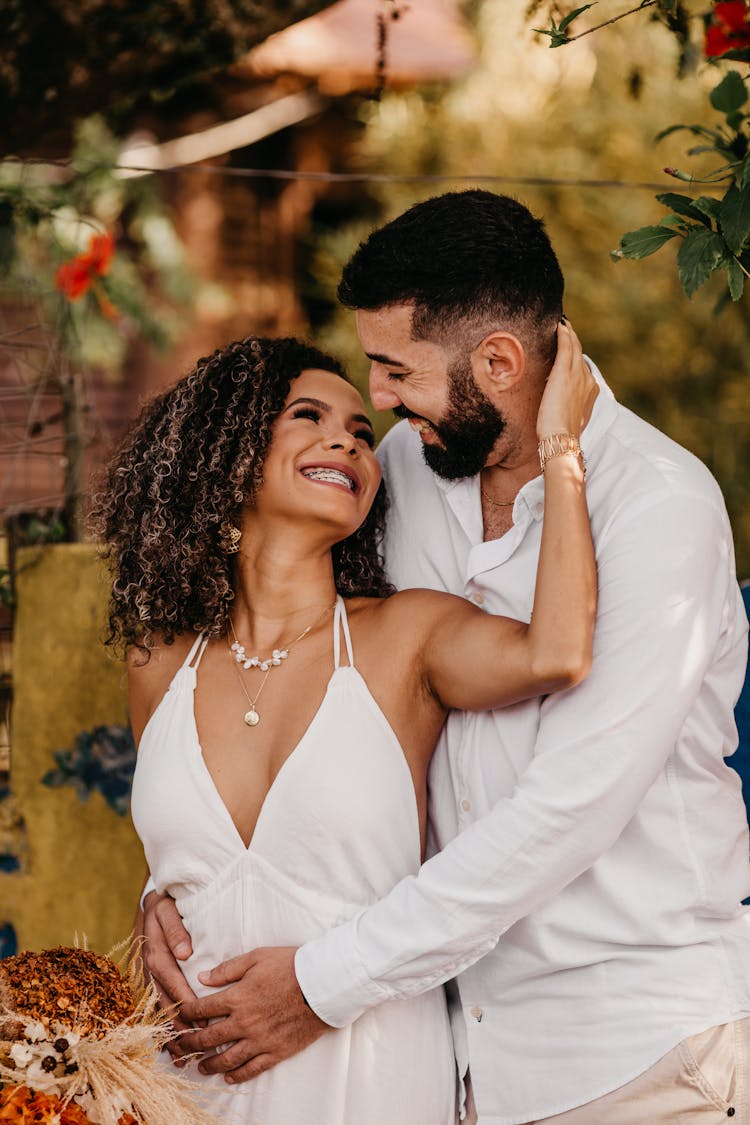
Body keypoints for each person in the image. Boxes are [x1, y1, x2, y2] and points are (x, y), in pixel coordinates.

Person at [144, 191, 750, 1124]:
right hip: (456, 1058)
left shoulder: (659, 504)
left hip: (638, 1053)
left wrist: (319, 983)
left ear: (499, 362)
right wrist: (181, 883)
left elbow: (567, 810)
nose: (375, 399)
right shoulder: (408, 468)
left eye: (394, 369)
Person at [98, 328, 597, 1125]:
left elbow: (558, 650)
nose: (349, 441)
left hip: (368, 1076)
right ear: (227, 453)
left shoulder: (405, 637)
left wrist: (562, 447)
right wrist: (153, 897)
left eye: (363, 433)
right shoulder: (159, 659)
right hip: (186, 1084)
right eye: (309, 416)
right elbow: (186, 867)